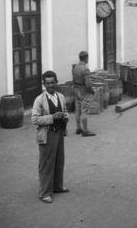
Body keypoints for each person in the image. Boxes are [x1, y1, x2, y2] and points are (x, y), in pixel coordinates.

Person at [31, 71, 69, 203]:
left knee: (59, 160)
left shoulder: (61, 96)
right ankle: (44, 193)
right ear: (44, 85)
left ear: (56, 82)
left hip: (59, 133)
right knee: (46, 163)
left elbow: (65, 112)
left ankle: (57, 186)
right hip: (47, 135)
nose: (50, 85)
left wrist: (65, 116)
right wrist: (52, 117)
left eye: (53, 82)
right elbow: (34, 119)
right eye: (48, 83)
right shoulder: (39, 100)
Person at [72, 51, 96, 137]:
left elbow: (74, 81)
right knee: (84, 110)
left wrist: (75, 89)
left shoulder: (75, 67)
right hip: (84, 91)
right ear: (86, 58)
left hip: (76, 90)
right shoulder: (85, 69)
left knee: (78, 110)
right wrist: (92, 91)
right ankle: (85, 131)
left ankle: (78, 128)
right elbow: (88, 83)